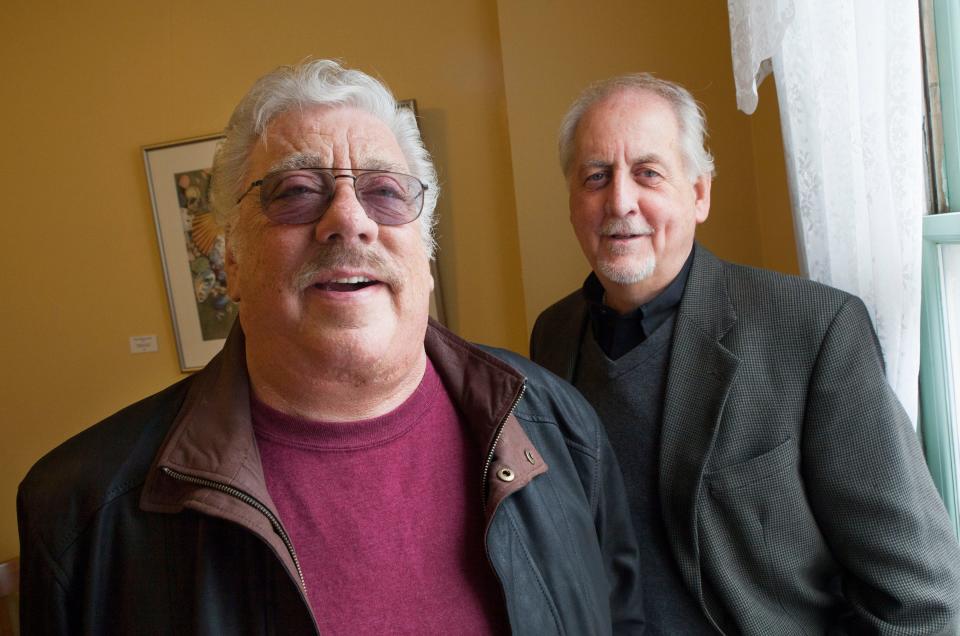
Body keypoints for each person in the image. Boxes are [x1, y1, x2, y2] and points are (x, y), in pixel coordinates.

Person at [18, 60, 643, 635]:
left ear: (424, 258)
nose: (349, 218)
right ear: (231, 261)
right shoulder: (85, 513)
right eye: (294, 191)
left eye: (385, 191)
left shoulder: (558, 425)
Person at [531, 73, 960, 635]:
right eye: (596, 177)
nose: (620, 201)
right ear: (571, 202)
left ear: (699, 193)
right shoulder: (553, 336)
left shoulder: (814, 331)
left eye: (648, 173)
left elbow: (920, 599)